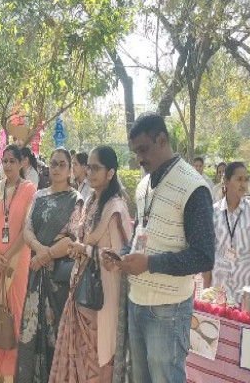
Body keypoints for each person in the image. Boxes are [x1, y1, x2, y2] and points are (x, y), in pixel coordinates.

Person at [119, 112, 215, 383]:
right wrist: (122, 256)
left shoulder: (194, 187)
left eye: (143, 149)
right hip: (137, 301)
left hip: (169, 310)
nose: (139, 158)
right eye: (135, 152)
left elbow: (204, 257)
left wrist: (150, 264)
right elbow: (140, 234)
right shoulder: (143, 185)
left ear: (162, 139)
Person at [50, 146, 132, 383]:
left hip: (103, 294)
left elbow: (121, 258)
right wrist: (77, 248)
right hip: (80, 288)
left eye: (96, 168)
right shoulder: (90, 201)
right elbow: (82, 238)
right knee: (77, 354)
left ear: (110, 173)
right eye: (89, 167)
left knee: (100, 355)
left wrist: (85, 250)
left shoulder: (116, 208)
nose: (90, 172)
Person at [15, 148, 83, 382]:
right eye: (53, 163)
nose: (56, 168)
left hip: (58, 280)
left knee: (56, 333)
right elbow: (27, 229)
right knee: (31, 329)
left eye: (62, 164)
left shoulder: (75, 199)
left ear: (70, 170)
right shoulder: (39, 195)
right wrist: (39, 248)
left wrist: (44, 256)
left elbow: (73, 239)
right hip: (36, 275)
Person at [0, 145, 36, 383]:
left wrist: (8, 255)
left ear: (21, 163)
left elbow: (27, 229)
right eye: (5, 160)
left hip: (17, 260)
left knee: (15, 312)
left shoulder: (30, 190)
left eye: (13, 161)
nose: (8, 165)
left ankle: (11, 373)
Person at [204, 162, 250, 302]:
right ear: (226, 181)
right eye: (239, 179)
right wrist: (205, 291)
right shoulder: (213, 212)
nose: (243, 184)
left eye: (246, 180)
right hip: (219, 291)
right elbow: (208, 254)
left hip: (246, 291)